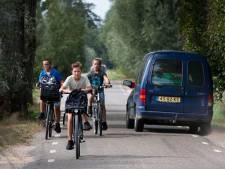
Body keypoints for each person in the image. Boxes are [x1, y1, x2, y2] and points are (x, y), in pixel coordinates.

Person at [59, 62, 92, 150]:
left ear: (81, 72)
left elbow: (89, 88)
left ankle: (85, 122)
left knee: (83, 108)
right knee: (70, 118)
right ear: (72, 72)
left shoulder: (84, 78)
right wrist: (65, 91)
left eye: (78, 71)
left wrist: (84, 90)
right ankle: (70, 140)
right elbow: (62, 88)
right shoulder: (69, 78)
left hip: (81, 97)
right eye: (75, 71)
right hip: (72, 98)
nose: (76, 73)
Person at [38, 58, 63, 133]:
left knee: (56, 107)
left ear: (50, 65)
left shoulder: (55, 73)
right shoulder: (42, 73)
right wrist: (38, 84)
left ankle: (57, 123)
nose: (45, 66)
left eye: (46, 64)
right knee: (41, 97)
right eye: (44, 64)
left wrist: (62, 88)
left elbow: (61, 82)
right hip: (46, 92)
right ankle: (42, 113)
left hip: (55, 92)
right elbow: (40, 82)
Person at [87, 58, 111, 130]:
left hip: (100, 90)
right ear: (92, 65)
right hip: (92, 90)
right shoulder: (90, 74)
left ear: (100, 65)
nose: (96, 65)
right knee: (90, 97)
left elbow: (106, 78)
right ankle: (90, 107)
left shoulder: (102, 73)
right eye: (95, 64)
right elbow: (86, 81)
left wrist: (107, 83)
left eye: (98, 64)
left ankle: (104, 121)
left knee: (102, 105)